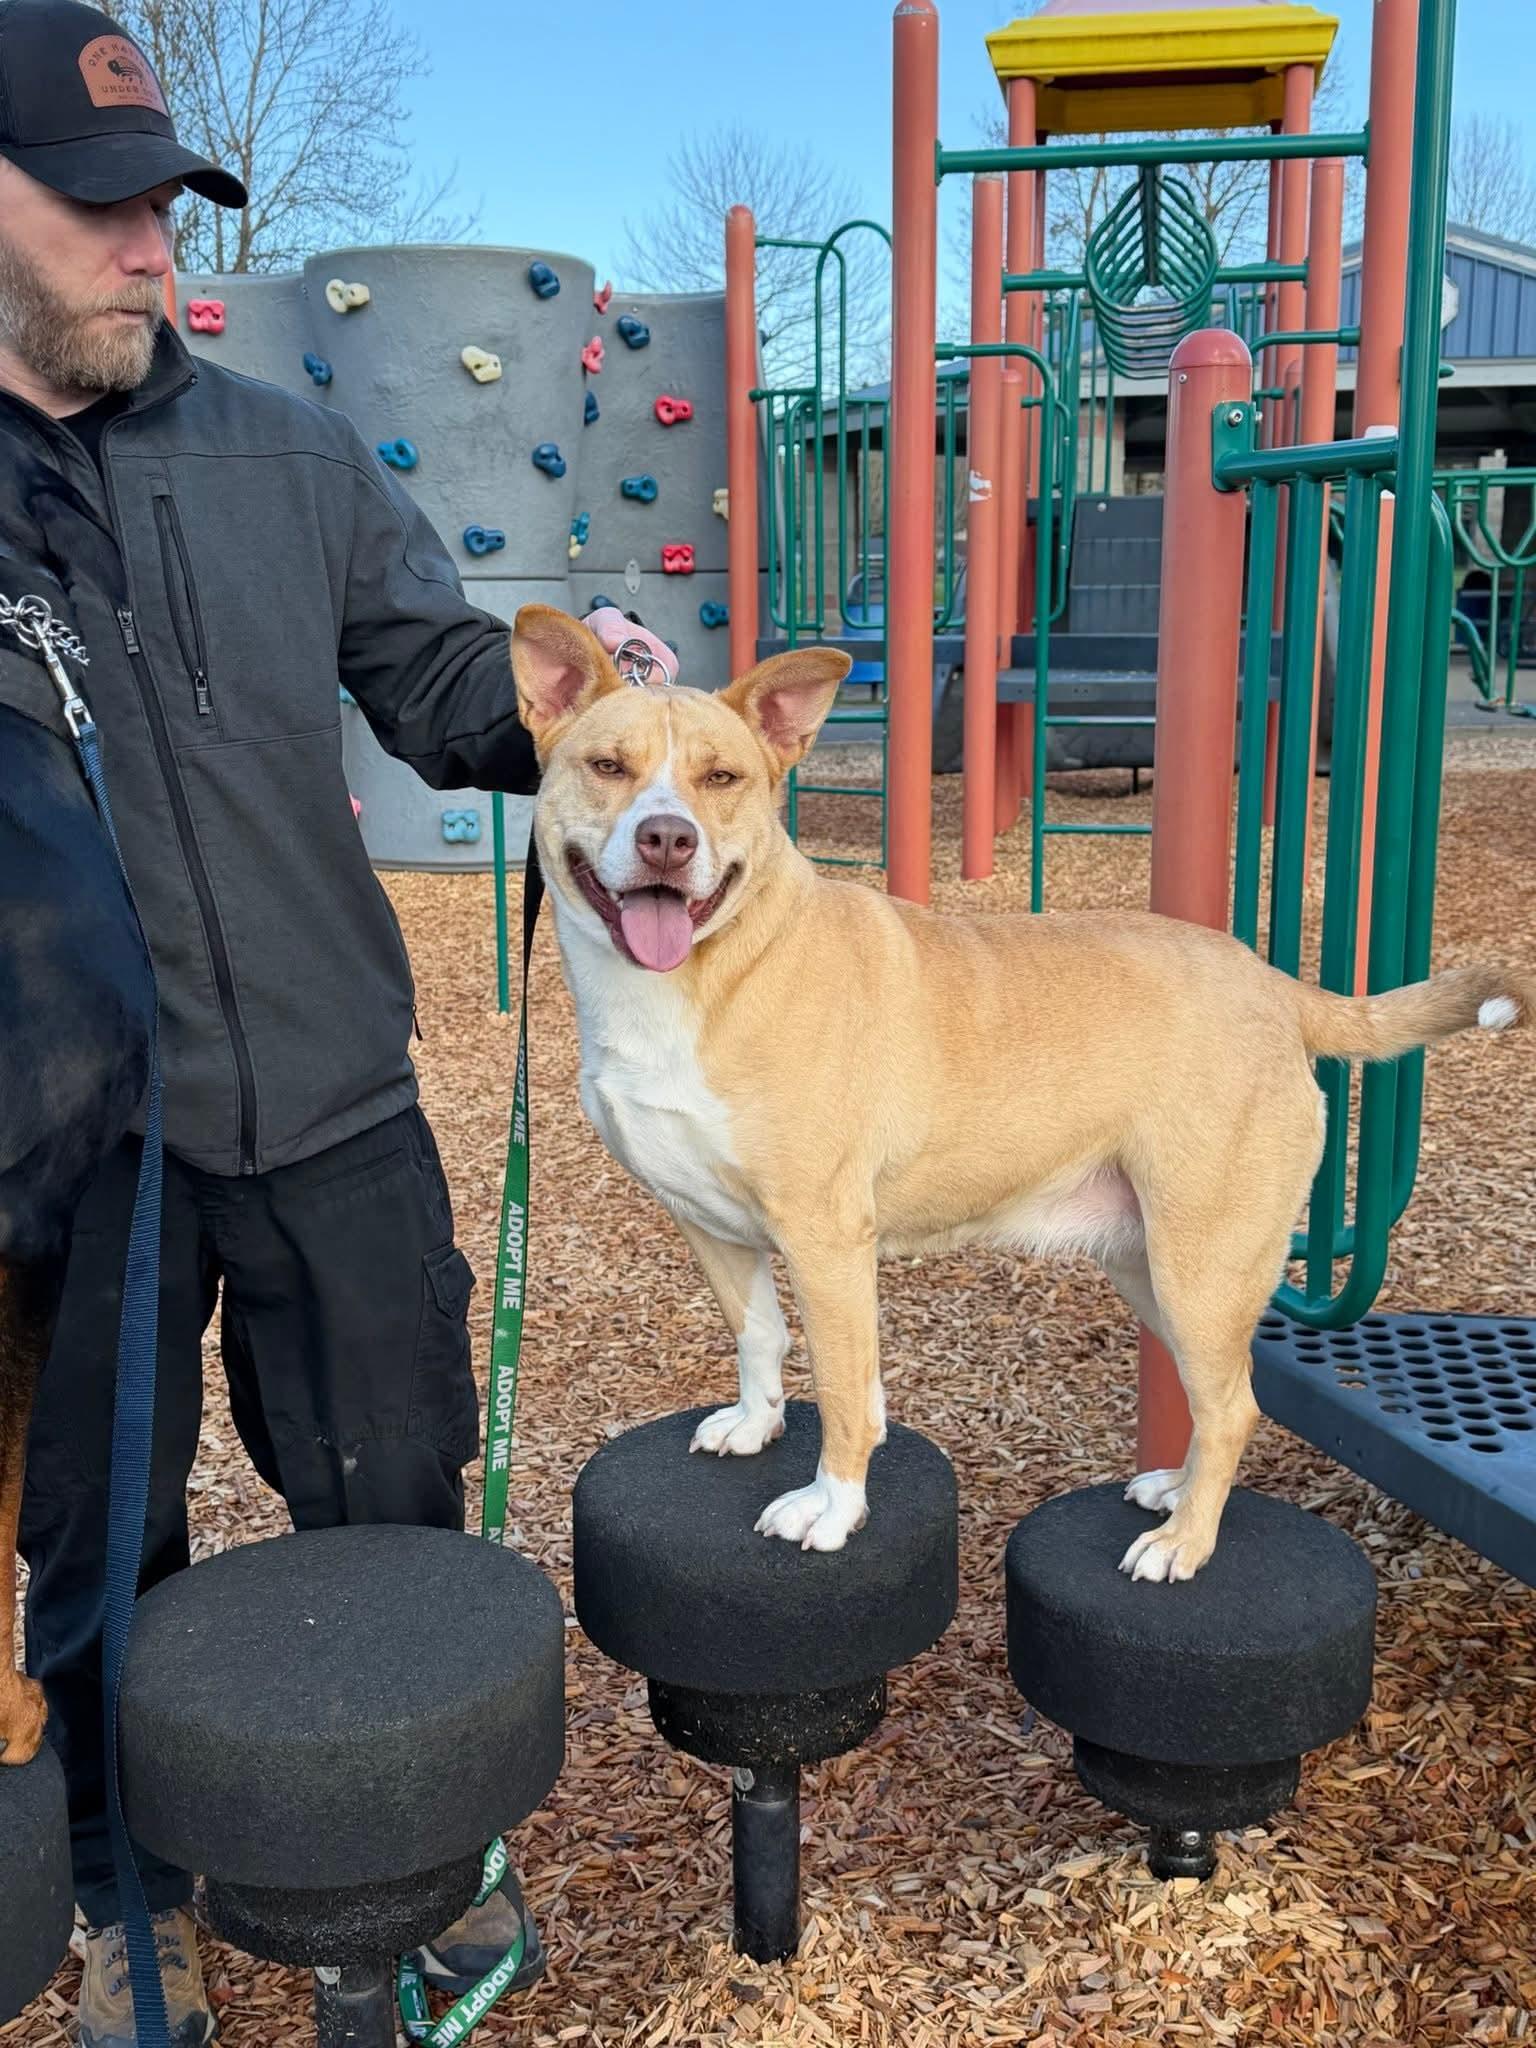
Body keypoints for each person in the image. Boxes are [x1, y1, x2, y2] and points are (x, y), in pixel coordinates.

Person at [0, 2, 549, 2040]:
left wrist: (583, 715)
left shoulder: (287, 452)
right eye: (96, 206)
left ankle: (419, 1867)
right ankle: (124, 1904)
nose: (153, 247)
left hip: (329, 1099)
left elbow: (437, 674)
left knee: (393, 1487)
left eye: (167, 204)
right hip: (62, 1149)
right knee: (93, 1553)